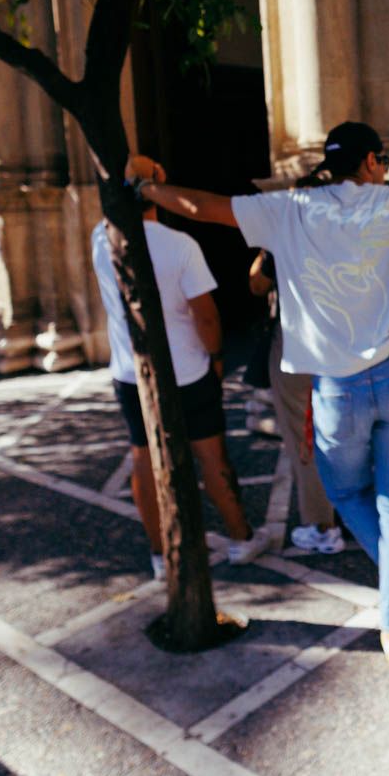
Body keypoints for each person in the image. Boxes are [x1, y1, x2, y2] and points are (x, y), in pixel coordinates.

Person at [126, 120, 389, 669]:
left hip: (338, 386)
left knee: (344, 493)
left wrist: (147, 191)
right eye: (380, 159)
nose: (382, 168)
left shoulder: (291, 208)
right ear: (369, 163)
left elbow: (202, 207)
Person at [90, 206, 275, 576]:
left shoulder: (100, 237)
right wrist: (217, 357)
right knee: (211, 455)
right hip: (187, 369)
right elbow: (205, 315)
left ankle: (161, 554)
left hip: (131, 370)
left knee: (142, 457)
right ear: (153, 194)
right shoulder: (179, 244)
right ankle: (241, 538)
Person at [250, 245, 344, 555]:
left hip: (299, 343)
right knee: (347, 430)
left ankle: (322, 527)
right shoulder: (349, 221)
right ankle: (352, 512)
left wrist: (269, 248)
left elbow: (256, 284)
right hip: (349, 339)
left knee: (304, 433)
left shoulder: (285, 231)